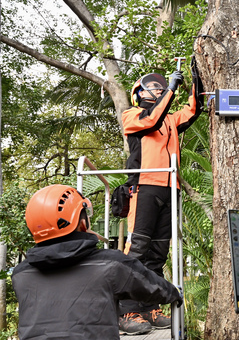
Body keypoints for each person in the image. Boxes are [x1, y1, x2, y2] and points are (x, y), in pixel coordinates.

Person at [12, 184, 183, 339]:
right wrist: (175, 292)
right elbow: (154, 288)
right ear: (82, 223)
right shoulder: (111, 264)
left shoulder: (20, 275)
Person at [118, 66, 203, 333]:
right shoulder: (132, 115)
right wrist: (170, 90)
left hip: (169, 188)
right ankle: (128, 311)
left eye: (160, 86)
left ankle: (150, 309)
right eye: (152, 87)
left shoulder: (169, 119)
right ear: (139, 93)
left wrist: (196, 77)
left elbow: (192, 110)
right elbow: (151, 121)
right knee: (138, 251)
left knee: (157, 254)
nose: (158, 89)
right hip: (144, 187)